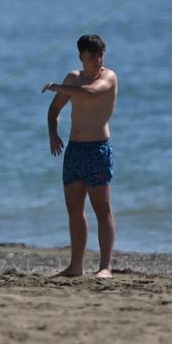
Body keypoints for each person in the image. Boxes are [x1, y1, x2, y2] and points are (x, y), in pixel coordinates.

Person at [43, 34, 120, 279]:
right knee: (74, 209)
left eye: (100, 55)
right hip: (74, 150)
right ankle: (76, 266)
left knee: (102, 208)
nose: (97, 60)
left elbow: (90, 93)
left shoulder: (108, 77)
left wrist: (57, 87)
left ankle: (105, 267)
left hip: (97, 149)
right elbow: (55, 108)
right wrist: (53, 135)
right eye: (92, 56)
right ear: (81, 57)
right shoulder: (73, 78)